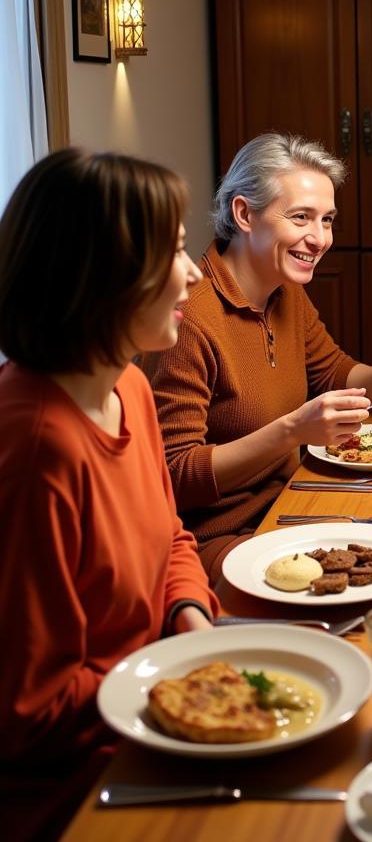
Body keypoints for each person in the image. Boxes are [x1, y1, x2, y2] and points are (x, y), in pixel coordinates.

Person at [0, 148, 218, 841]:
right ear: (103, 277)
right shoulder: (38, 447)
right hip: (73, 787)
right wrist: (176, 675)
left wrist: (191, 618)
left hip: (153, 713)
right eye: (174, 252)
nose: (193, 273)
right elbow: (29, 713)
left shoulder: (126, 384)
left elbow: (172, 537)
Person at [142, 132, 372, 582]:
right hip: (220, 541)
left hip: (293, 503)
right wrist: (291, 431)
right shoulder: (190, 319)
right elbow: (175, 475)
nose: (319, 238)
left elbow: (334, 371)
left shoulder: (286, 291)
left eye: (328, 220)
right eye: (301, 217)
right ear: (244, 213)